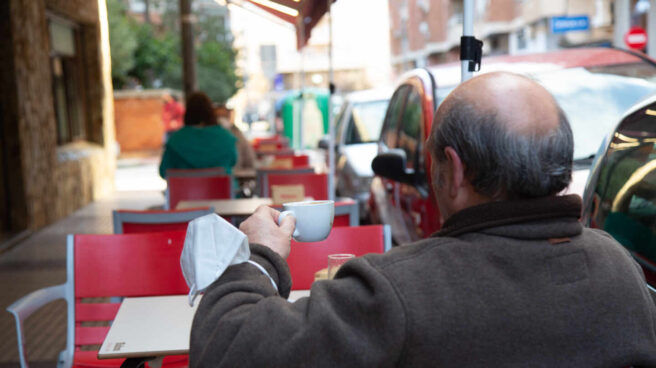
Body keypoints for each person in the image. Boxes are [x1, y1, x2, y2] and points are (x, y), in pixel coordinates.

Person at [190, 72, 656, 366]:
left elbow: (224, 350)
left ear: (453, 170)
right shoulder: (622, 272)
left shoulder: (400, 291)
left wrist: (257, 259)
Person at [159, 92, 237, 178]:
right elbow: (233, 162)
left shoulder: (175, 139)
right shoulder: (226, 138)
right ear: (211, 112)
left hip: (184, 190)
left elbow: (163, 172)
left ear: (187, 113)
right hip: (219, 190)